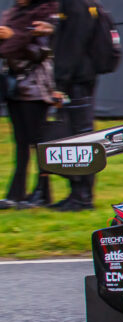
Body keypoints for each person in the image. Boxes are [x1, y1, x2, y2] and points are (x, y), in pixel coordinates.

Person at [0, 0, 59, 210]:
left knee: (38, 143)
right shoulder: (12, 14)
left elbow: (41, 51)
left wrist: (12, 38)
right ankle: (16, 193)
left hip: (35, 88)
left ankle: (43, 192)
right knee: (21, 143)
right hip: (16, 87)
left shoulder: (46, 14)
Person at [46, 0, 99, 211]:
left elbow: (72, 45)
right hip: (80, 78)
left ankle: (82, 197)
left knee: (80, 138)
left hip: (76, 81)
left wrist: (60, 82)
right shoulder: (81, 4)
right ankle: (77, 194)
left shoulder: (74, 5)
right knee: (75, 137)